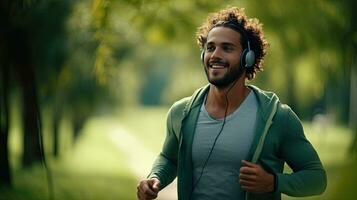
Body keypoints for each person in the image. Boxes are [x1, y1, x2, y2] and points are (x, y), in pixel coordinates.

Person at [137, 7, 327, 200]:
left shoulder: (278, 117)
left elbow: (317, 178)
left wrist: (273, 182)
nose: (215, 55)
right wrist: (155, 178)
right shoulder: (181, 113)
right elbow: (169, 159)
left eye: (227, 48)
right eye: (210, 48)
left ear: (248, 58)